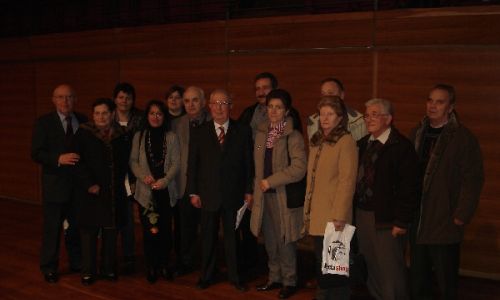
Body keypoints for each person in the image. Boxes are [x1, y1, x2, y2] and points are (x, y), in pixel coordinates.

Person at [409, 84, 484, 300]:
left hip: (445, 220)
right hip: (418, 220)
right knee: (418, 282)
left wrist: (461, 215)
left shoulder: (462, 138)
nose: (432, 106)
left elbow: (473, 179)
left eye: (439, 102)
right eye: (430, 100)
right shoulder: (417, 132)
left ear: (451, 107)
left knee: (446, 283)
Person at [187, 89, 253, 292]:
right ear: (209, 106)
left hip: (234, 195)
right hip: (207, 195)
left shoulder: (242, 130)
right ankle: (206, 276)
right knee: (208, 238)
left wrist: (249, 190)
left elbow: (248, 163)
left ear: (230, 106)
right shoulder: (199, 132)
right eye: (215, 103)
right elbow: (193, 164)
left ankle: (235, 277)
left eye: (223, 103)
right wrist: (193, 192)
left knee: (233, 240)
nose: (219, 107)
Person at [354, 98, 419, 300]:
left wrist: (401, 221)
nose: (369, 119)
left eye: (375, 114)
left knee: (391, 270)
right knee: (371, 265)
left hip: (387, 220)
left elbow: (410, 188)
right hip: (363, 215)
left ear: (388, 119)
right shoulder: (362, 144)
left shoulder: (401, 147)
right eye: (367, 115)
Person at [250, 89, 307, 299]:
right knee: (270, 240)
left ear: (287, 110)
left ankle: (290, 281)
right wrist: (255, 191)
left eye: (278, 107)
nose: (273, 111)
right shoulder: (260, 133)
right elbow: (256, 166)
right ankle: (274, 278)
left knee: (285, 241)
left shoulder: (293, 135)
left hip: (282, 196)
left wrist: (270, 181)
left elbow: (299, 168)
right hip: (263, 196)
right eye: (270, 107)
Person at [303, 96, 358, 300]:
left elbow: (347, 180)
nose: (325, 118)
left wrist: (340, 215)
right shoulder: (317, 141)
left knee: (336, 267)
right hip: (317, 213)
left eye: (330, 114)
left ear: (340, 118)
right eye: (322, 114)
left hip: (335, 216)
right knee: (321, 263)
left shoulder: (346, 141)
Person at [31, 84, 86, 283]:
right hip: (55, 186)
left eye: (69, 97)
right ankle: (49, 266)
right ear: (53, 100)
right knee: (52, 228)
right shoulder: (44, 123)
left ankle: (77, 261)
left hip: (78, 187)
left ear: (75, 99)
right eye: (61, 97)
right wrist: (58, 158)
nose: (65, 101)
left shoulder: (84, 120)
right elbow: (36, 153)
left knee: (75, 227)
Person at [74, 98, 131, 285]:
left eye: (104, 113)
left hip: (114, 191)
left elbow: (127, 162)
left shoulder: (122, 135)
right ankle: (88, 271)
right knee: (89, 233)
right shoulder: (83, 133)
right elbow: (77, 162)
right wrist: (89, 183)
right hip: (90, 191)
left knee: (110, 231)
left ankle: (108, 268)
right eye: (97, 113)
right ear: (93, 115)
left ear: (112, 114)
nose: (100, 117)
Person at [130, 100, 180, 283]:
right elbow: (133, 161)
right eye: (152, 113)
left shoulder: (172, 137)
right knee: (150, 231)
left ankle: (164, 264)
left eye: (159, 113)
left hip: (165, 192)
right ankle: (151, 266)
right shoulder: (140, 136)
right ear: (147, 116)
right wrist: (144, 177)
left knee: (166, 231)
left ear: (164, 116)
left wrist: (165, 181)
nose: (155, 117)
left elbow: (176, 163)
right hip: (146, 193)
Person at [171, 86, 212, 275]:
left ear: (203, 102)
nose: (190, 104)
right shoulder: (176, 124)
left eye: (195, 100)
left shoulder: (215, 122)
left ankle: (207, 265)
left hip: (207, 186)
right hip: (184, 185)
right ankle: (185, 262)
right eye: (186, 101)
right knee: (185, 230)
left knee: (207, 229)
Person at [112, 82, 143, 274]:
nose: (125, 101)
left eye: (128, 97)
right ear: (115, 99)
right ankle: (112, 256)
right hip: (114, 176)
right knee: (117, 217)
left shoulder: (140, 119)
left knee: (132, 219)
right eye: (121, 97)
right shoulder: (107, 118)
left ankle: (130, 255)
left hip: (135, 175)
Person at [307, 78, 366, 142]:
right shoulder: (313, 121)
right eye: (323, 94)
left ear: (342, 95)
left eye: (330, 93)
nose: (326, 98)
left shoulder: (358, 121)